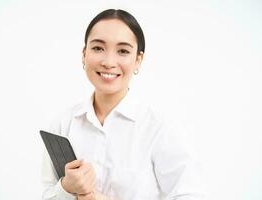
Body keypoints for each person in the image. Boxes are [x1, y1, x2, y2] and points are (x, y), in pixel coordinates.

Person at [41, 9, 206, 200]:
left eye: (123, 51)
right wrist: (66, 188)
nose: (109, 62)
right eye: (98, 48)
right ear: (84, 54)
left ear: (138, 60)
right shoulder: (62, 124)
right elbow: (47, 194)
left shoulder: (160, 128)